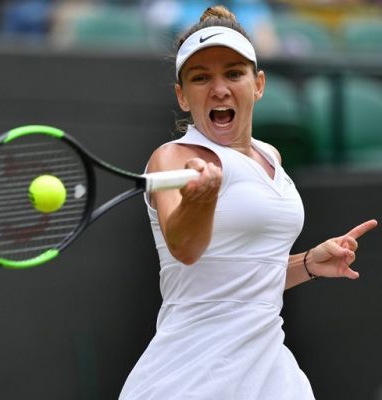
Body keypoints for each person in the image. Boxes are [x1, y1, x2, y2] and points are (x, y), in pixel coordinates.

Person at [119, 5, 377, 399]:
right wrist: (199, 202)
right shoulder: (171, 159)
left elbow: (242, 279)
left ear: (258, 84)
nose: (218, 88)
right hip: (191, 375)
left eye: (233, 74)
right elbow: (184, 249)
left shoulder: (271, 156)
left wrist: (307, 263)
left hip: (270, 372)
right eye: (201, 77)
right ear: (182, 96)